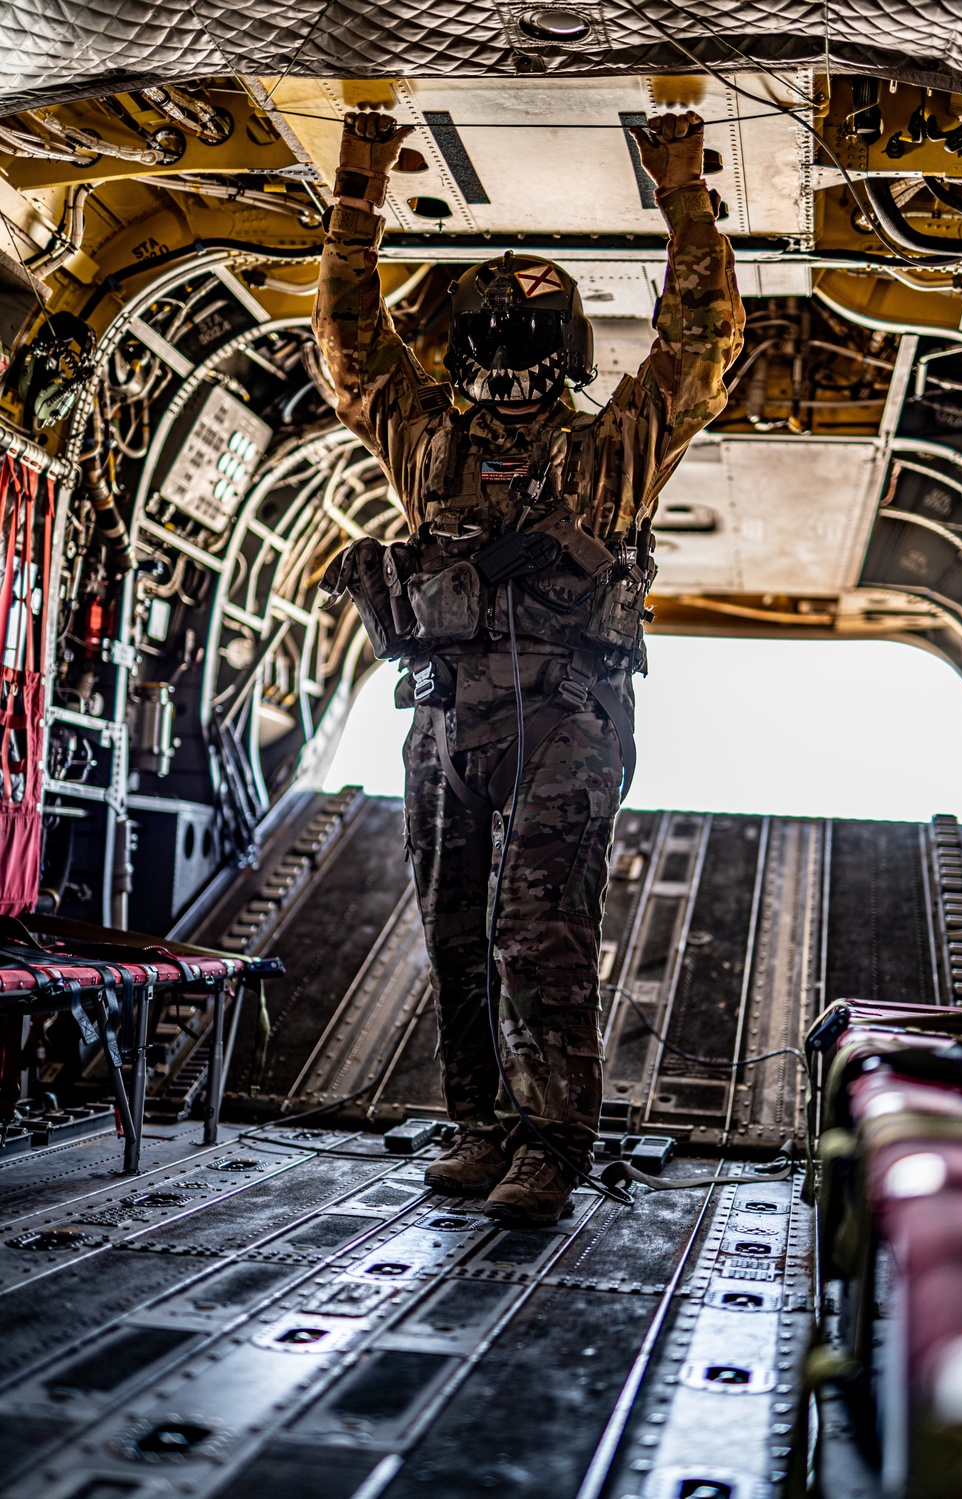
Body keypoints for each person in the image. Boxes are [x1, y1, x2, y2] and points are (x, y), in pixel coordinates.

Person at [314, 107, 744, 1226]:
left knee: (537, 933)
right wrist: (355, 201)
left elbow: (700, 349)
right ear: (463, 351)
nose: (504, 365)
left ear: (563, 359)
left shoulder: (610, 452)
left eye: (528, 345)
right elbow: (350, 351)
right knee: (453, 927)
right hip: (447, 715)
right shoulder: (427, 442)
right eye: (487, 341)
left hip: (565, 717)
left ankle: (552, 1140)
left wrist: (682, 194)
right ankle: (478, 1122)